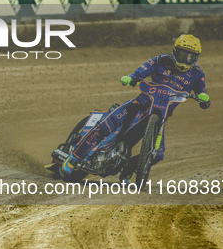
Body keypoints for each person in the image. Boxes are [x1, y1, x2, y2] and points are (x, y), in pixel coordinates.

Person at [61, 34, 211, 178]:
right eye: (183, 55)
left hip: (161, 117)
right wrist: (132, 78)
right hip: (140, 103)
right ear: (175, 52)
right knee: (106, 125)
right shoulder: (162, 60)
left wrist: (203, 97)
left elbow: (202, 92)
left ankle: (128, 169)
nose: (185, 60)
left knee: (158, 154)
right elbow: (143, 70)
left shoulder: (197, 73)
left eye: (190, 57)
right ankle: (73, 158)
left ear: (196, 58)